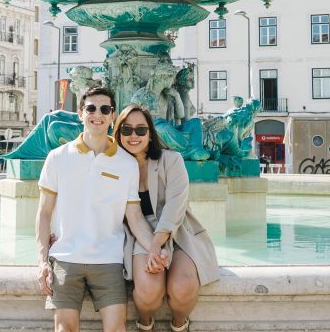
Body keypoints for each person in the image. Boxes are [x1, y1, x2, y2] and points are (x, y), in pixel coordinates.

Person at [36, 87, 157, 332]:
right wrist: (42, 262)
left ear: (112, 116)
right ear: (80, 113)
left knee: (116, 329)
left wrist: (155, 248)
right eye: (90, 108)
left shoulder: (127, 163)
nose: (97, 114)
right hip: (66, 258)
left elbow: (134, 217)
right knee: (64, 329)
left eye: (105, 109)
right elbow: (44, 212)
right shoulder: (57, 157)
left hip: (108, 260)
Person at [115, 104, 220, 332]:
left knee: (183, 288)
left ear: (150, 133)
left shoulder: (171, 160)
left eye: (141, 130)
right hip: (139, 234)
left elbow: (175, 207)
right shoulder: (115, 168)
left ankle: (179, 325)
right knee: (149, 293)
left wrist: (157, 245)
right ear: (118, 133)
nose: (134, 136)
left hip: (178, 230)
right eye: (127, 130)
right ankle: (145, 325)